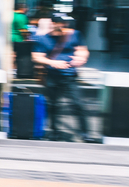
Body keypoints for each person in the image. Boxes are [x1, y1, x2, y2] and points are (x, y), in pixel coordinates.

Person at [33, 13, 95, 142]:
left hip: (70, 77)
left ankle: (85, 133)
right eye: (61, 24)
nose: (64, 27)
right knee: (53, 105)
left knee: (78, 104)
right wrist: (52, 62)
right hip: (52, 77)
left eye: (66, 24)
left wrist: (81, 58)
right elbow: (36, 56)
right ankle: (54, 132)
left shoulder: (75, 34)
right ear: (53, 24)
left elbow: (83, 50)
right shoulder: (43, 39)